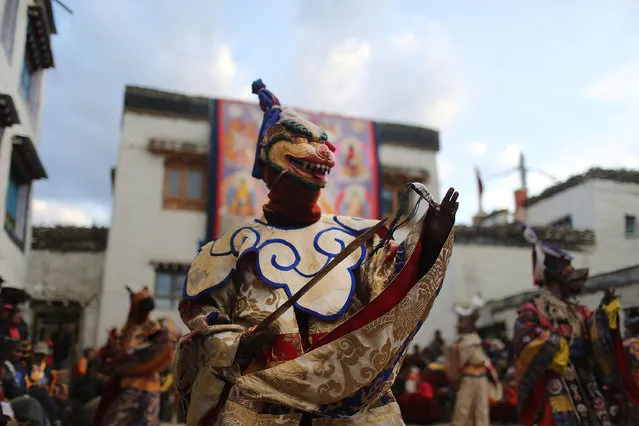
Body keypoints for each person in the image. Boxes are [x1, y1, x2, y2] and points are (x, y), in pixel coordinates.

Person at [172, 79, 459, 424]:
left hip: (352, 403)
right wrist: (238, 343)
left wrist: (428, 244)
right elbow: (203, 314)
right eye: (300, 140)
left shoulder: (360, 237)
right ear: (268, 155)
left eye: (322, 142)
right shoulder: (230, 249)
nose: (324, 150)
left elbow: (388, 294)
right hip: (264, 406)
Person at [512, 225, 639, 426]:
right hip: (556, 380)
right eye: (568, 271)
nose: (575, 277)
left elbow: (593, 335)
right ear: (555, 275)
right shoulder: (534, 308)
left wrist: (605, 313)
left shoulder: (577, 310)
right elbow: (524, 337)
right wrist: (555, 345)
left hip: (585, 379)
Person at [93, 287, 173, 426]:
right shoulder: (135, 330)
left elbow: (159, 355)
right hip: (145, 385)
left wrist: (121, 363)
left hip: (134, 386)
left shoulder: (149, 330)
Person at [446, 295, 502, 426]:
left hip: (481, 378)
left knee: (481, 411)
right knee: (462, 410)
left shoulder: (476, 339)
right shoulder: (462, 342)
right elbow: (456, 359)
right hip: (468, 379)